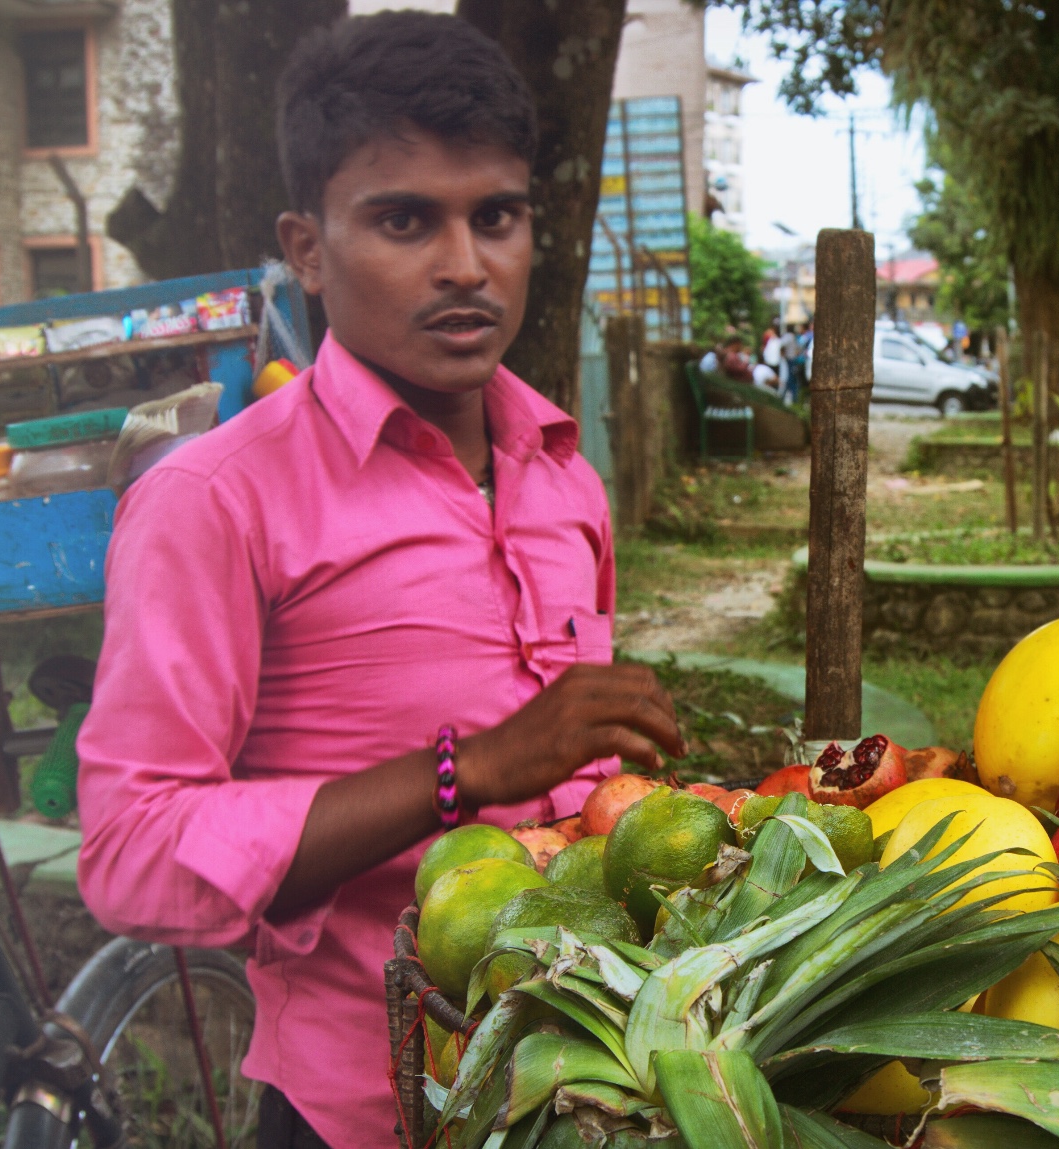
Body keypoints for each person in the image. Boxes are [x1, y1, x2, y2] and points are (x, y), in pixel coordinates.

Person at [73, 14, 685, 1149]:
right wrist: (476, 769)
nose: (464, 265)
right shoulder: (217, 499)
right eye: (404, 220)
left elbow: (579, 810)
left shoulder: (565, 480)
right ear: (306, 247)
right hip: (361, 1108)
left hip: (585, 1095)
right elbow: (129, 851)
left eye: (494, 216)